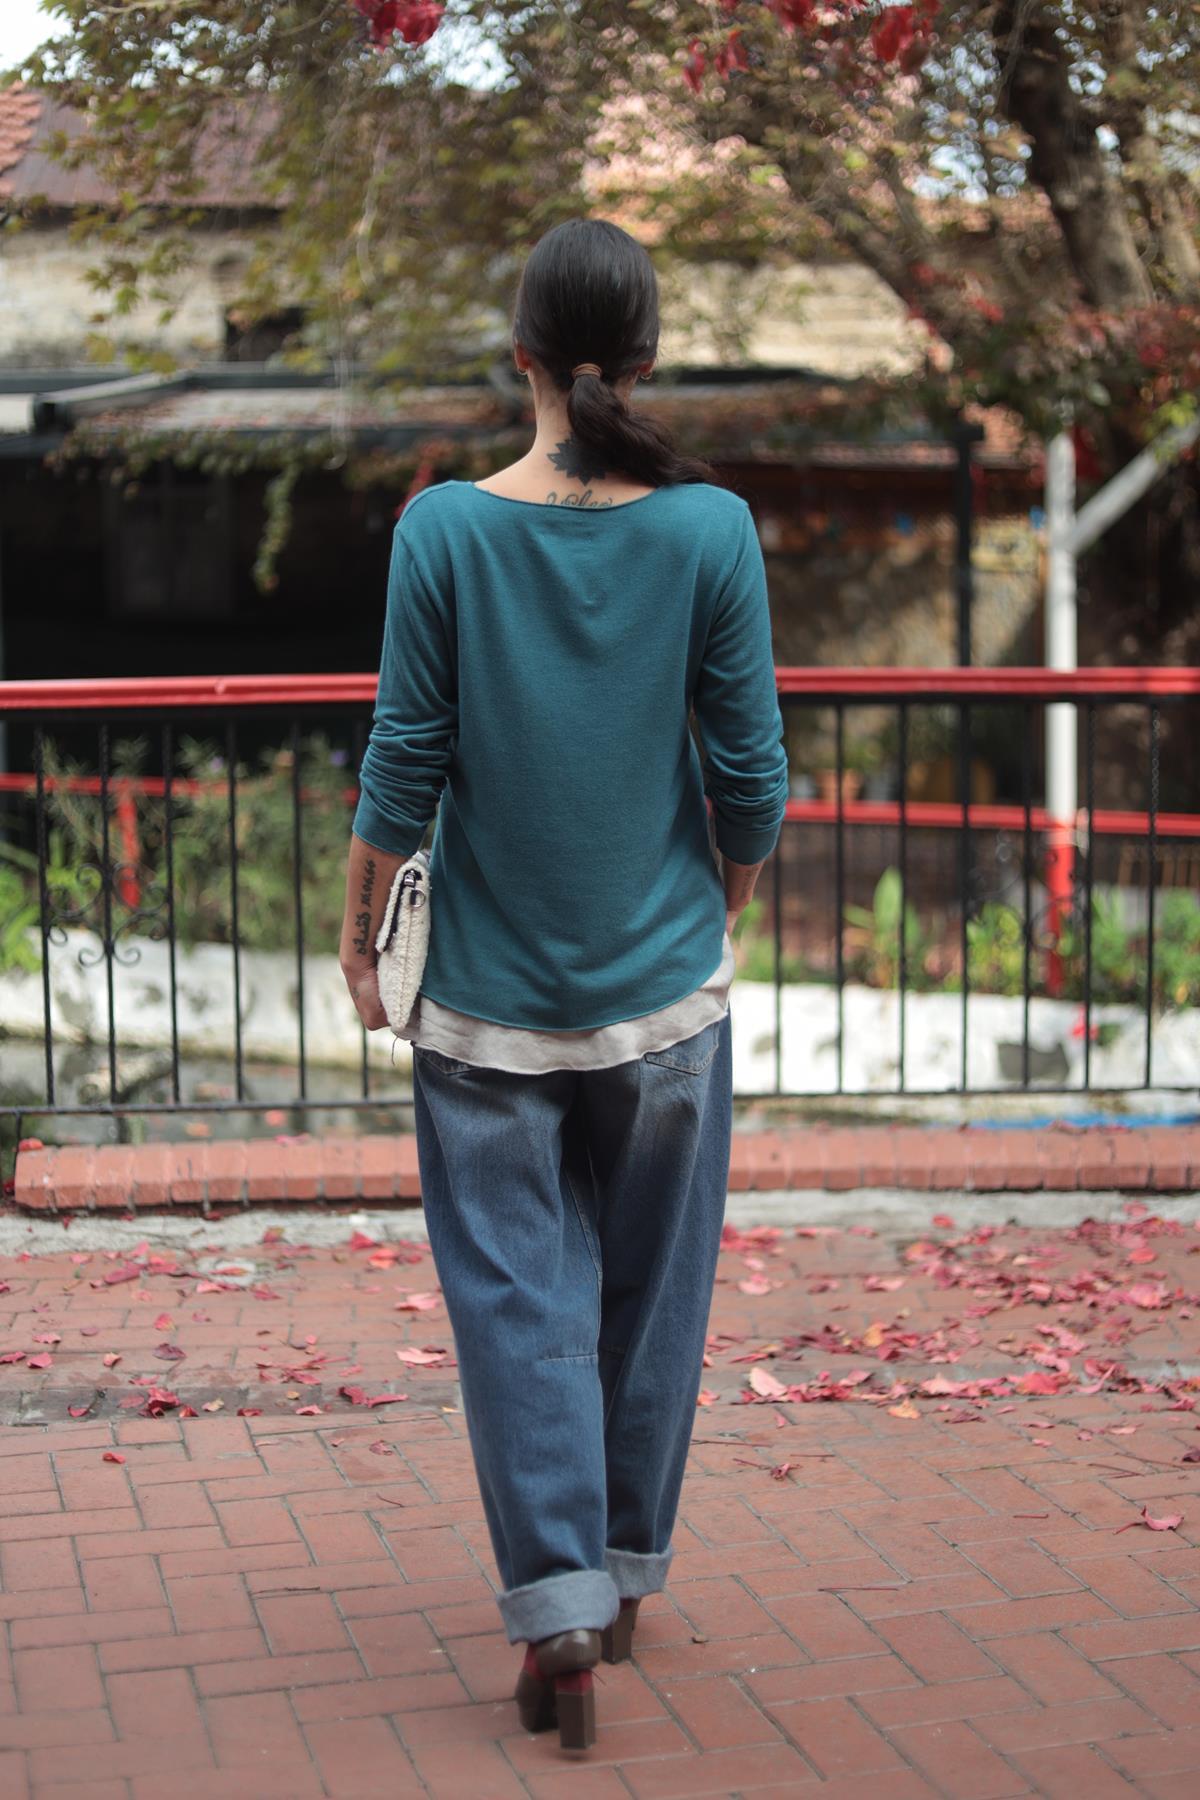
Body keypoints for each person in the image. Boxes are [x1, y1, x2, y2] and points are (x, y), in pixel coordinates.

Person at [338, 215, 788, 1752]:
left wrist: (358, 934)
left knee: (517, 1299)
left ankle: (558, 1609)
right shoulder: (712, 531)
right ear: (644, 358)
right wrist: (719, 905)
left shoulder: (443, 532)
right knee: (650, 1301)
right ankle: (625, 1573)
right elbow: (750, 775)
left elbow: (405, 761)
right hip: (665, 1001)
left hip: (485, 1009)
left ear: (518, 352)